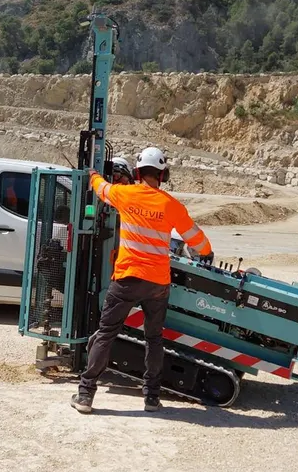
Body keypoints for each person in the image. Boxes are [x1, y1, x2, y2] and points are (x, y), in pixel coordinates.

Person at [71, 146, 213, 414]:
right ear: (163, 175)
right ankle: (151, 398)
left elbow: (102, 189)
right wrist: (205, 250)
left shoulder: (126, 194)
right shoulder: (171, 205)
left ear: (136, 172)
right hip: (158, 284)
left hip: (127, 278)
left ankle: (86, 395)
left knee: (106, 333)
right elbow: (200, 243)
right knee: (154, 339)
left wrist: (92, 174)